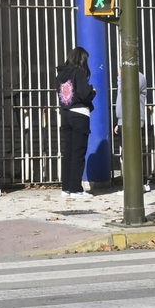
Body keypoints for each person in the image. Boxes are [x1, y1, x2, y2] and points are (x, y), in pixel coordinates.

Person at [56, 47, 95, 199]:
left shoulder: (60, 74)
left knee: (68, 152)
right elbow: (85, 94)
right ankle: (76, 189)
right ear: (81, 59)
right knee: (78, 152)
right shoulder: (79, 72)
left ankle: (66, 188)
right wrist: (93, 92)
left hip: (66, 113)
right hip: (80, 114)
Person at [114, 63, 151, 193]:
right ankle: (134, 184)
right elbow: (121, 100)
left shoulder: (137, 77)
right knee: (126, 153)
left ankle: (138, 184)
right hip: (124, 120)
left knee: (132, 153)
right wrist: (119, 121)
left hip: (133, 119)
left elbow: (127, 91)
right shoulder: (125, 78)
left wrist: (120, 78)